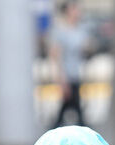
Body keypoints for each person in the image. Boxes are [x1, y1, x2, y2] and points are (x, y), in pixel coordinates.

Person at [50, 0, 89, 128]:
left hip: (76, 75)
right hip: (66, 76)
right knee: (72, 110)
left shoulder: (80, 30)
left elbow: (85, 49)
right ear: (68, 11)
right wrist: (62, 80)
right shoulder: (61, 31)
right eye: (75, 9)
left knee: (69, 109)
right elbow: (56, 57)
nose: (78, 12)